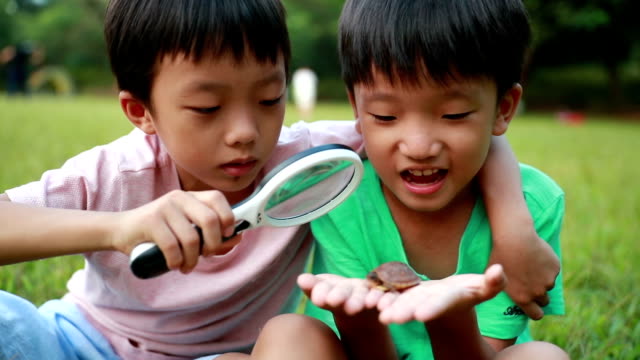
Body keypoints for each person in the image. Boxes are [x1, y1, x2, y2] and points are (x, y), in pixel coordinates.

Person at [0, 1, 555, 360]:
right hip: (76, 341)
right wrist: (119, 227)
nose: (245, 133)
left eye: (269, 100)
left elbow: (452, 127)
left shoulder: (313, 164)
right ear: (139, 109)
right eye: (206, 107)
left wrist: (512, 225)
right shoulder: (117, 172)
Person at [291, 0, 568, 359]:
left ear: (503, 108)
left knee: (543, 356)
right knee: (290, 332)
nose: (419, 147)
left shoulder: (535, 205)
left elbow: (491, 351)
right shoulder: (340, 194)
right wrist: (356, 320)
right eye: (386, 116)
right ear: (356, 109)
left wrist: (451, 315)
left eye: (454, 115)